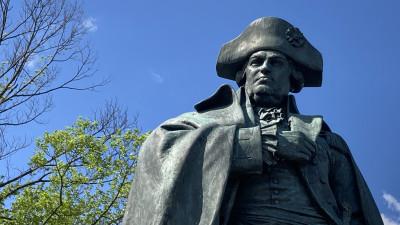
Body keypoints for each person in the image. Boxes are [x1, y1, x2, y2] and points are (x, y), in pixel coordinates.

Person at [123, 17, 383, 225]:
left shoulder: (327, 141)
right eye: (256, 62)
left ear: (294, 78)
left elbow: (356, 213)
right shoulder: (204, 122)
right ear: (243, 74)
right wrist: (260, 144)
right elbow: (160, 149)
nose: (265, 68)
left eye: (276, 62)